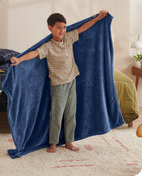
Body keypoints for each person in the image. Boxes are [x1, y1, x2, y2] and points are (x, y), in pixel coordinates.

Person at [11, 10, 108, 153]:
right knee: (57, 114)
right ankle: (53, 143)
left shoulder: (68, 38)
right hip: (58, 85)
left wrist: (99, 18)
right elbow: (34, 53)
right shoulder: (48, 46)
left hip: (72, 81)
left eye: (64, 27)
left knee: (71, 114)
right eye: (58, 27)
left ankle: (69, 141)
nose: (62, 30)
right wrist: (19, 59)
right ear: (50, 28)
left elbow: (83, 28)